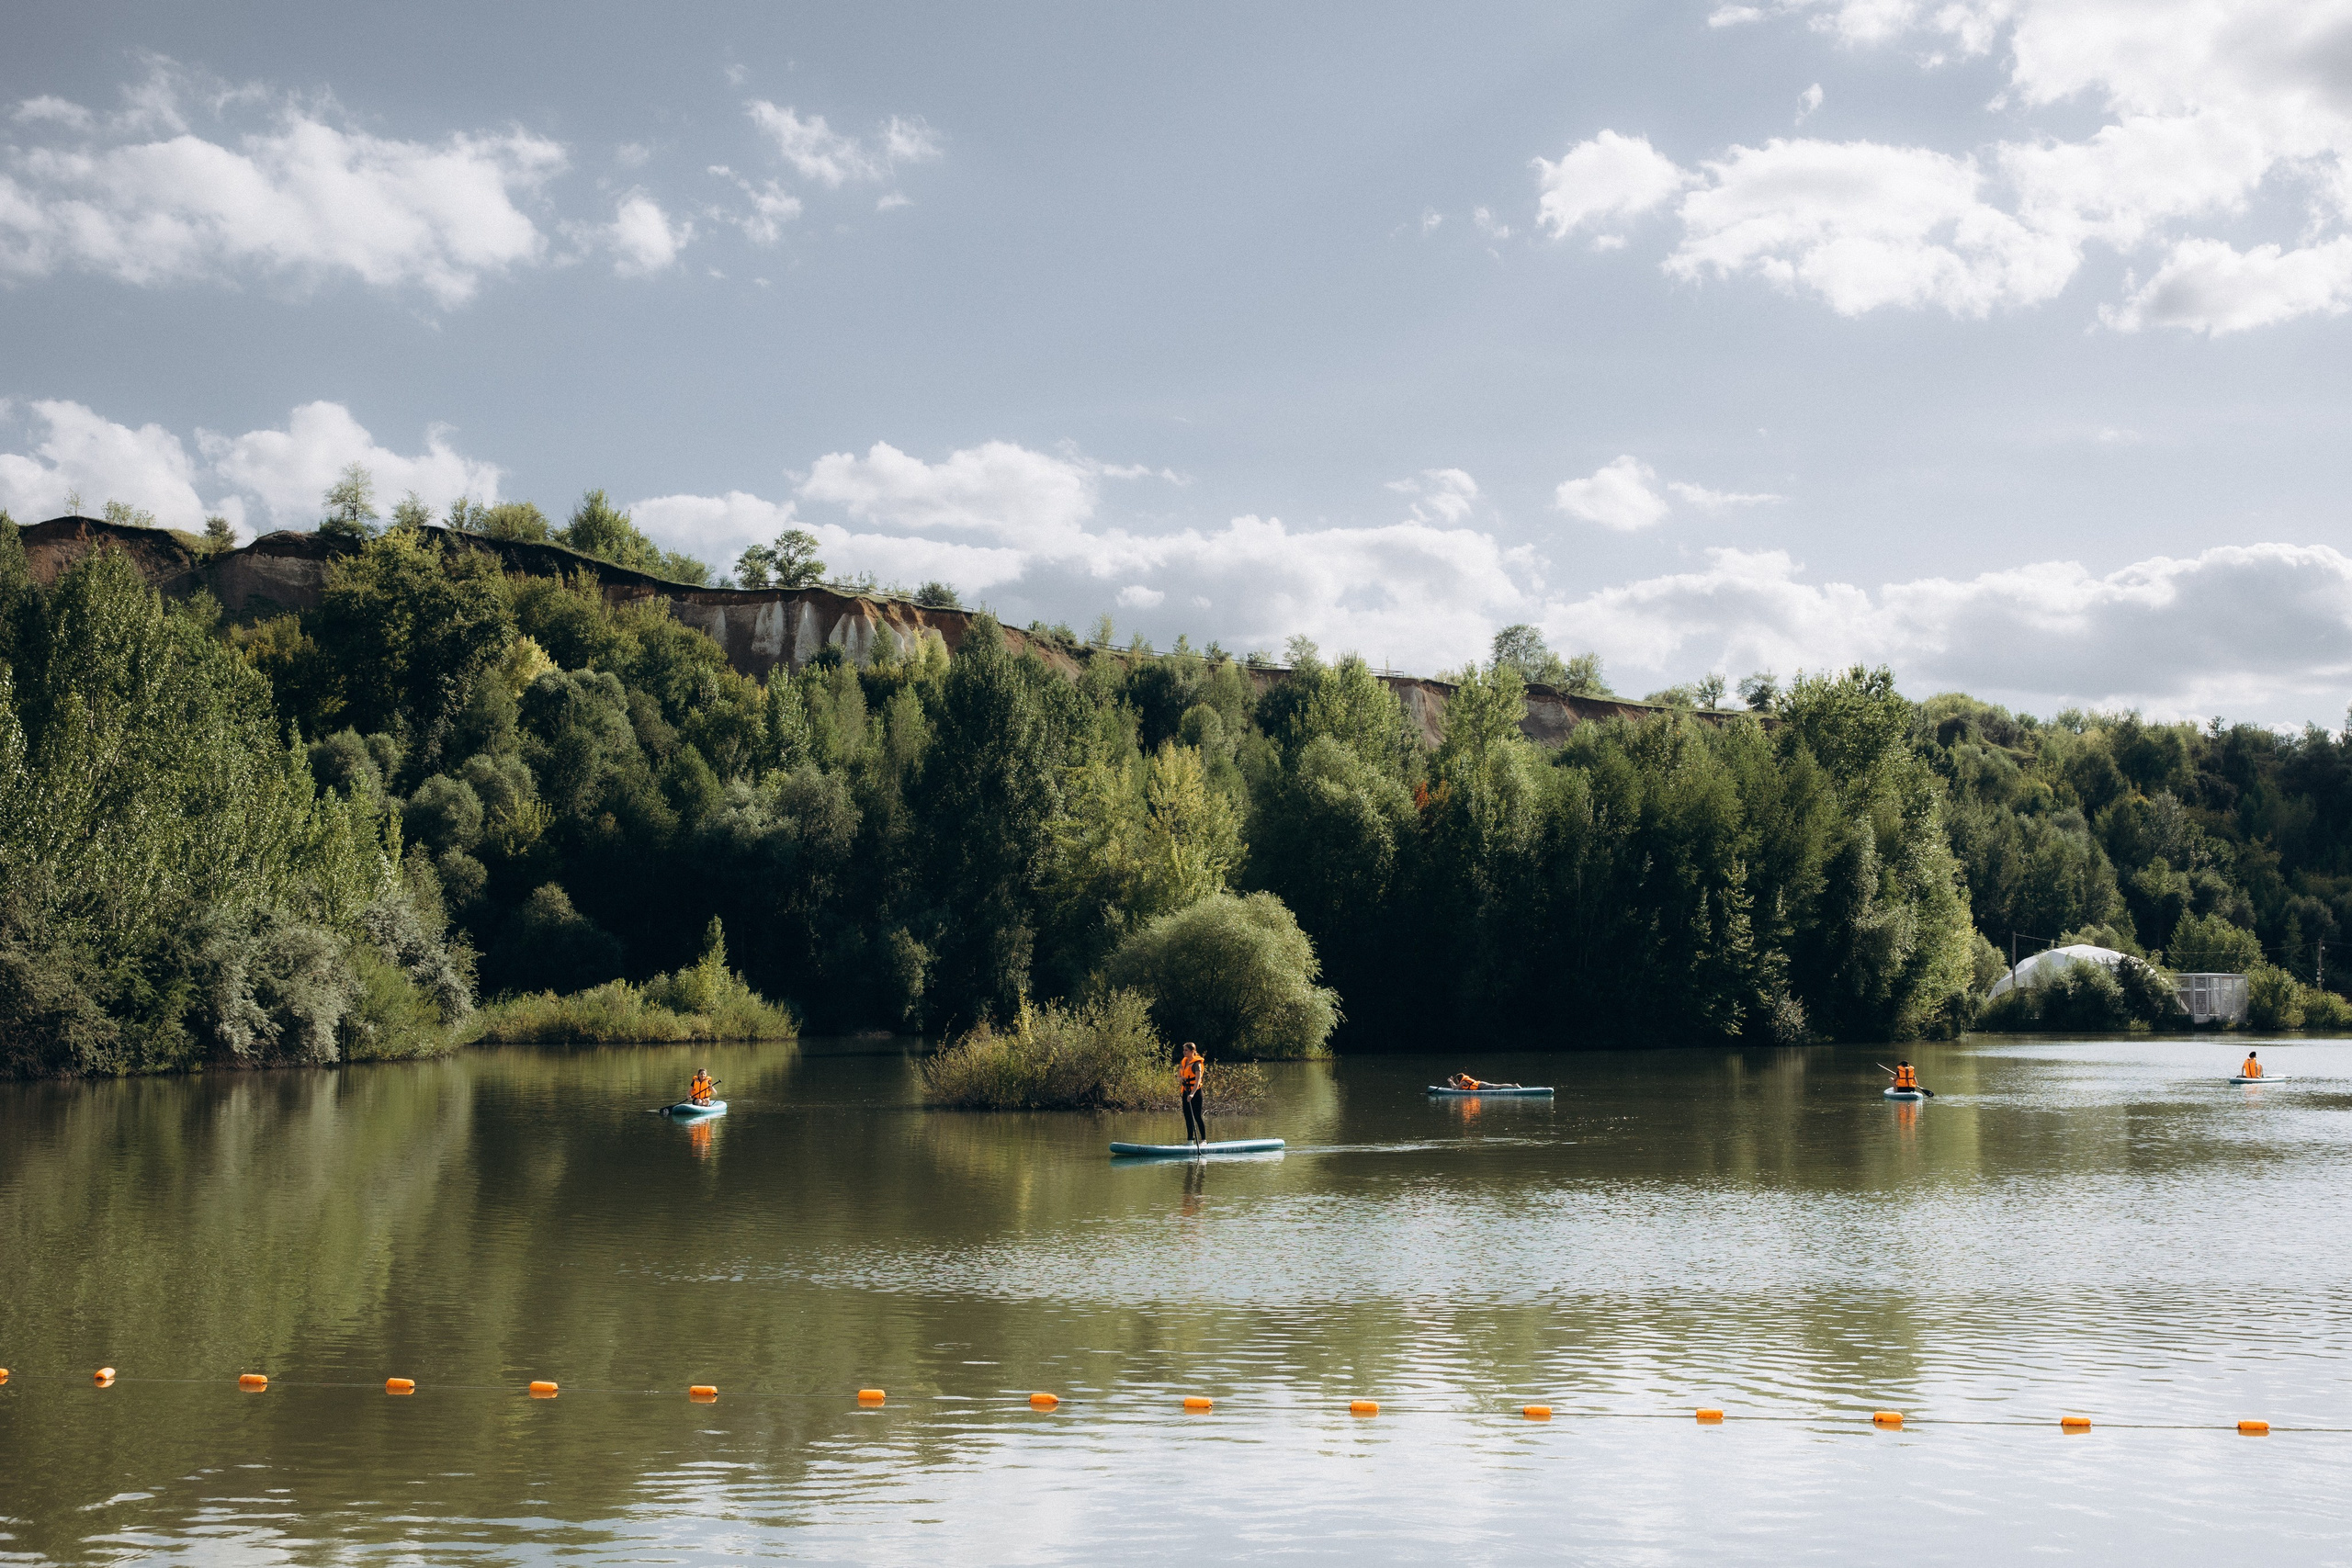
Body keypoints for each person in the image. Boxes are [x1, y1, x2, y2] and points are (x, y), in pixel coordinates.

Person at [1178, 1043, 1206, 1147]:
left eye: (1186, 1050)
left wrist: (1192, 1094)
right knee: (1187, 1116)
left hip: (1196, 1093)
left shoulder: (1197, 1064)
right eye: (1184, 1050)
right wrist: (1181, 1079)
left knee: (1197, 1116)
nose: (1184, 1052)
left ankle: (1203, 1140)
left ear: (1192, 1051)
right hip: (1186, 1092)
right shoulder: (1184, 1062)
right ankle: (1190, 1140)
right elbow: (1178, 1077)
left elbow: (1198, 1080)